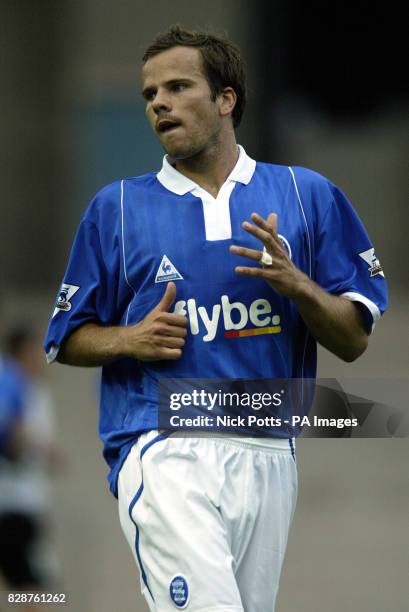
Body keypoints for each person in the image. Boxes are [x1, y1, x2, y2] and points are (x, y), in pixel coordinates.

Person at [44, 25, 388, 612]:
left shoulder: (307, 197)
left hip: (270, 454)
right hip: (163, 446)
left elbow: (354, 339)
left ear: (226, 99)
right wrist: (130, 337)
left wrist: (297, 284)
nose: (160, 103)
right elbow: (66, 337)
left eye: (178, 86)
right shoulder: (117, 208)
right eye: (151, 94)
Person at [0, 327, 61, 604]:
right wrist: (41, 448)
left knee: (36, 588)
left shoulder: (35, 392)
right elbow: (13, 437)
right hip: (12, 503)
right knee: (32, 590)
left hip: (30, 504)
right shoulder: (10, 384)